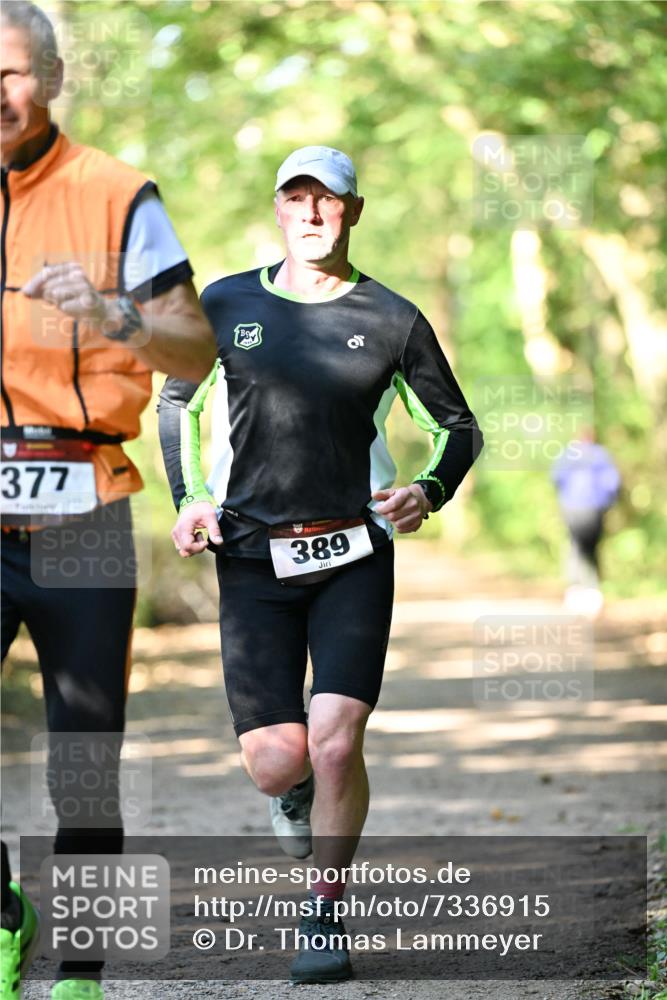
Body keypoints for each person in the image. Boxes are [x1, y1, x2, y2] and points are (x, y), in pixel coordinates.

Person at [158, 144, 483, 984]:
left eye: (326, 201)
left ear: (353, 211)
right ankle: (289, 797)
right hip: (250, 554)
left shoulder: (393, 317)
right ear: (275, 211)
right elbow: (176, 403)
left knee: (336, 739)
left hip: (352, 552)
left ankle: (324, 911)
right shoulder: (225, 301)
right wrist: (189, 498)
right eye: (294, 199)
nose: (309, 214)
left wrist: (428, 489)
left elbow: (459, 427)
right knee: (279, 757)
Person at [0, 4, 216, 999]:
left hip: (83, 504)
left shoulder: (118, 194)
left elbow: (194, 345)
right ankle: (9, 917)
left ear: (48, 75)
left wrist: (113, 309)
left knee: (82, 761)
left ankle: (81, 976)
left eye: (11, 73)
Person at [551, 428, 620, 617]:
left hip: (572, 508)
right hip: (594, 509)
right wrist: (608, 503)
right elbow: (612, 483)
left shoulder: (567, 455)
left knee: (575, 547)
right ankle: (593, 593)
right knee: (591, 548)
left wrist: (565, 498)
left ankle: (575, 592)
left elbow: (556, 479)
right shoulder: (601, 455)